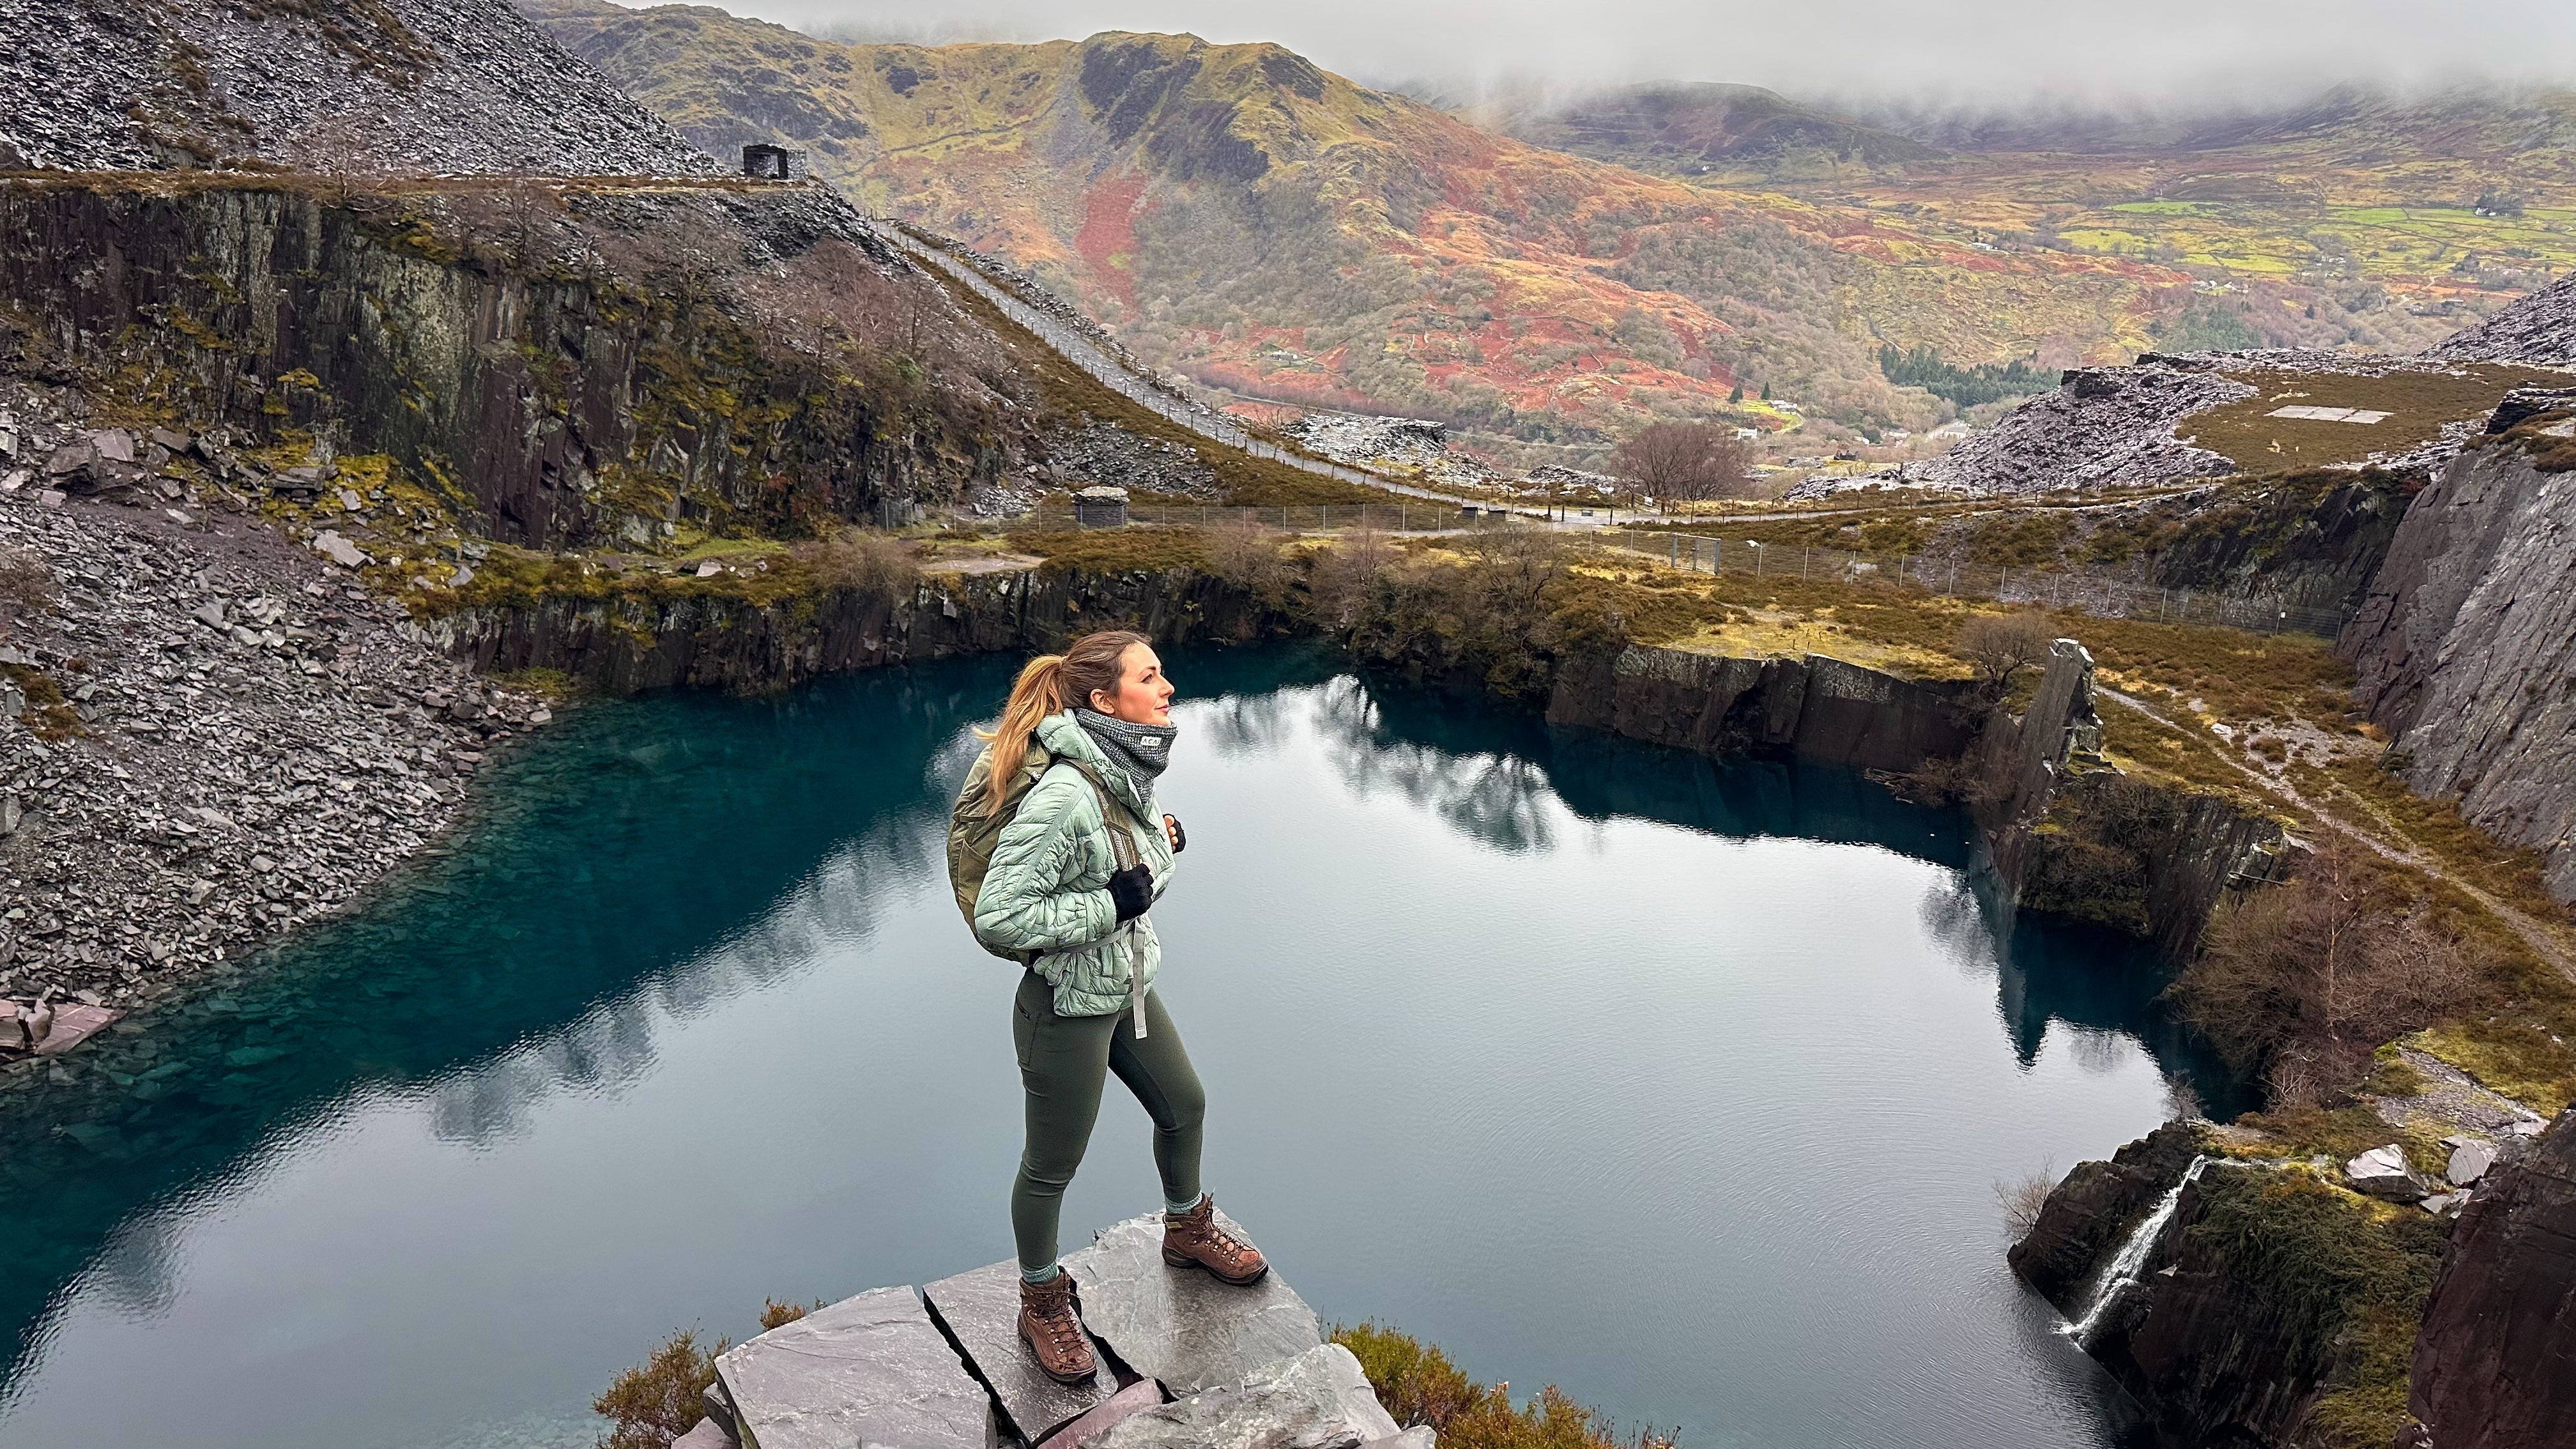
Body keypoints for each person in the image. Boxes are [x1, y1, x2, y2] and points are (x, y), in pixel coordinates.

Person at [963, 629, 1269, 1385]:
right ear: (1105, 701)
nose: (1169, 688)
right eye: (1151, 676)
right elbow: (999, 916)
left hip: (1125, 985)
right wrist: (1106, 904)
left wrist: (1163, 847)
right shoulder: (1068, 791)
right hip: (1065, 1007)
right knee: (1051, 1166)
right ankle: (1040, 1302)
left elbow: (1129, 865)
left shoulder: (1123, 771)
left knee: (1186, 1106)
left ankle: (1186, 1230)